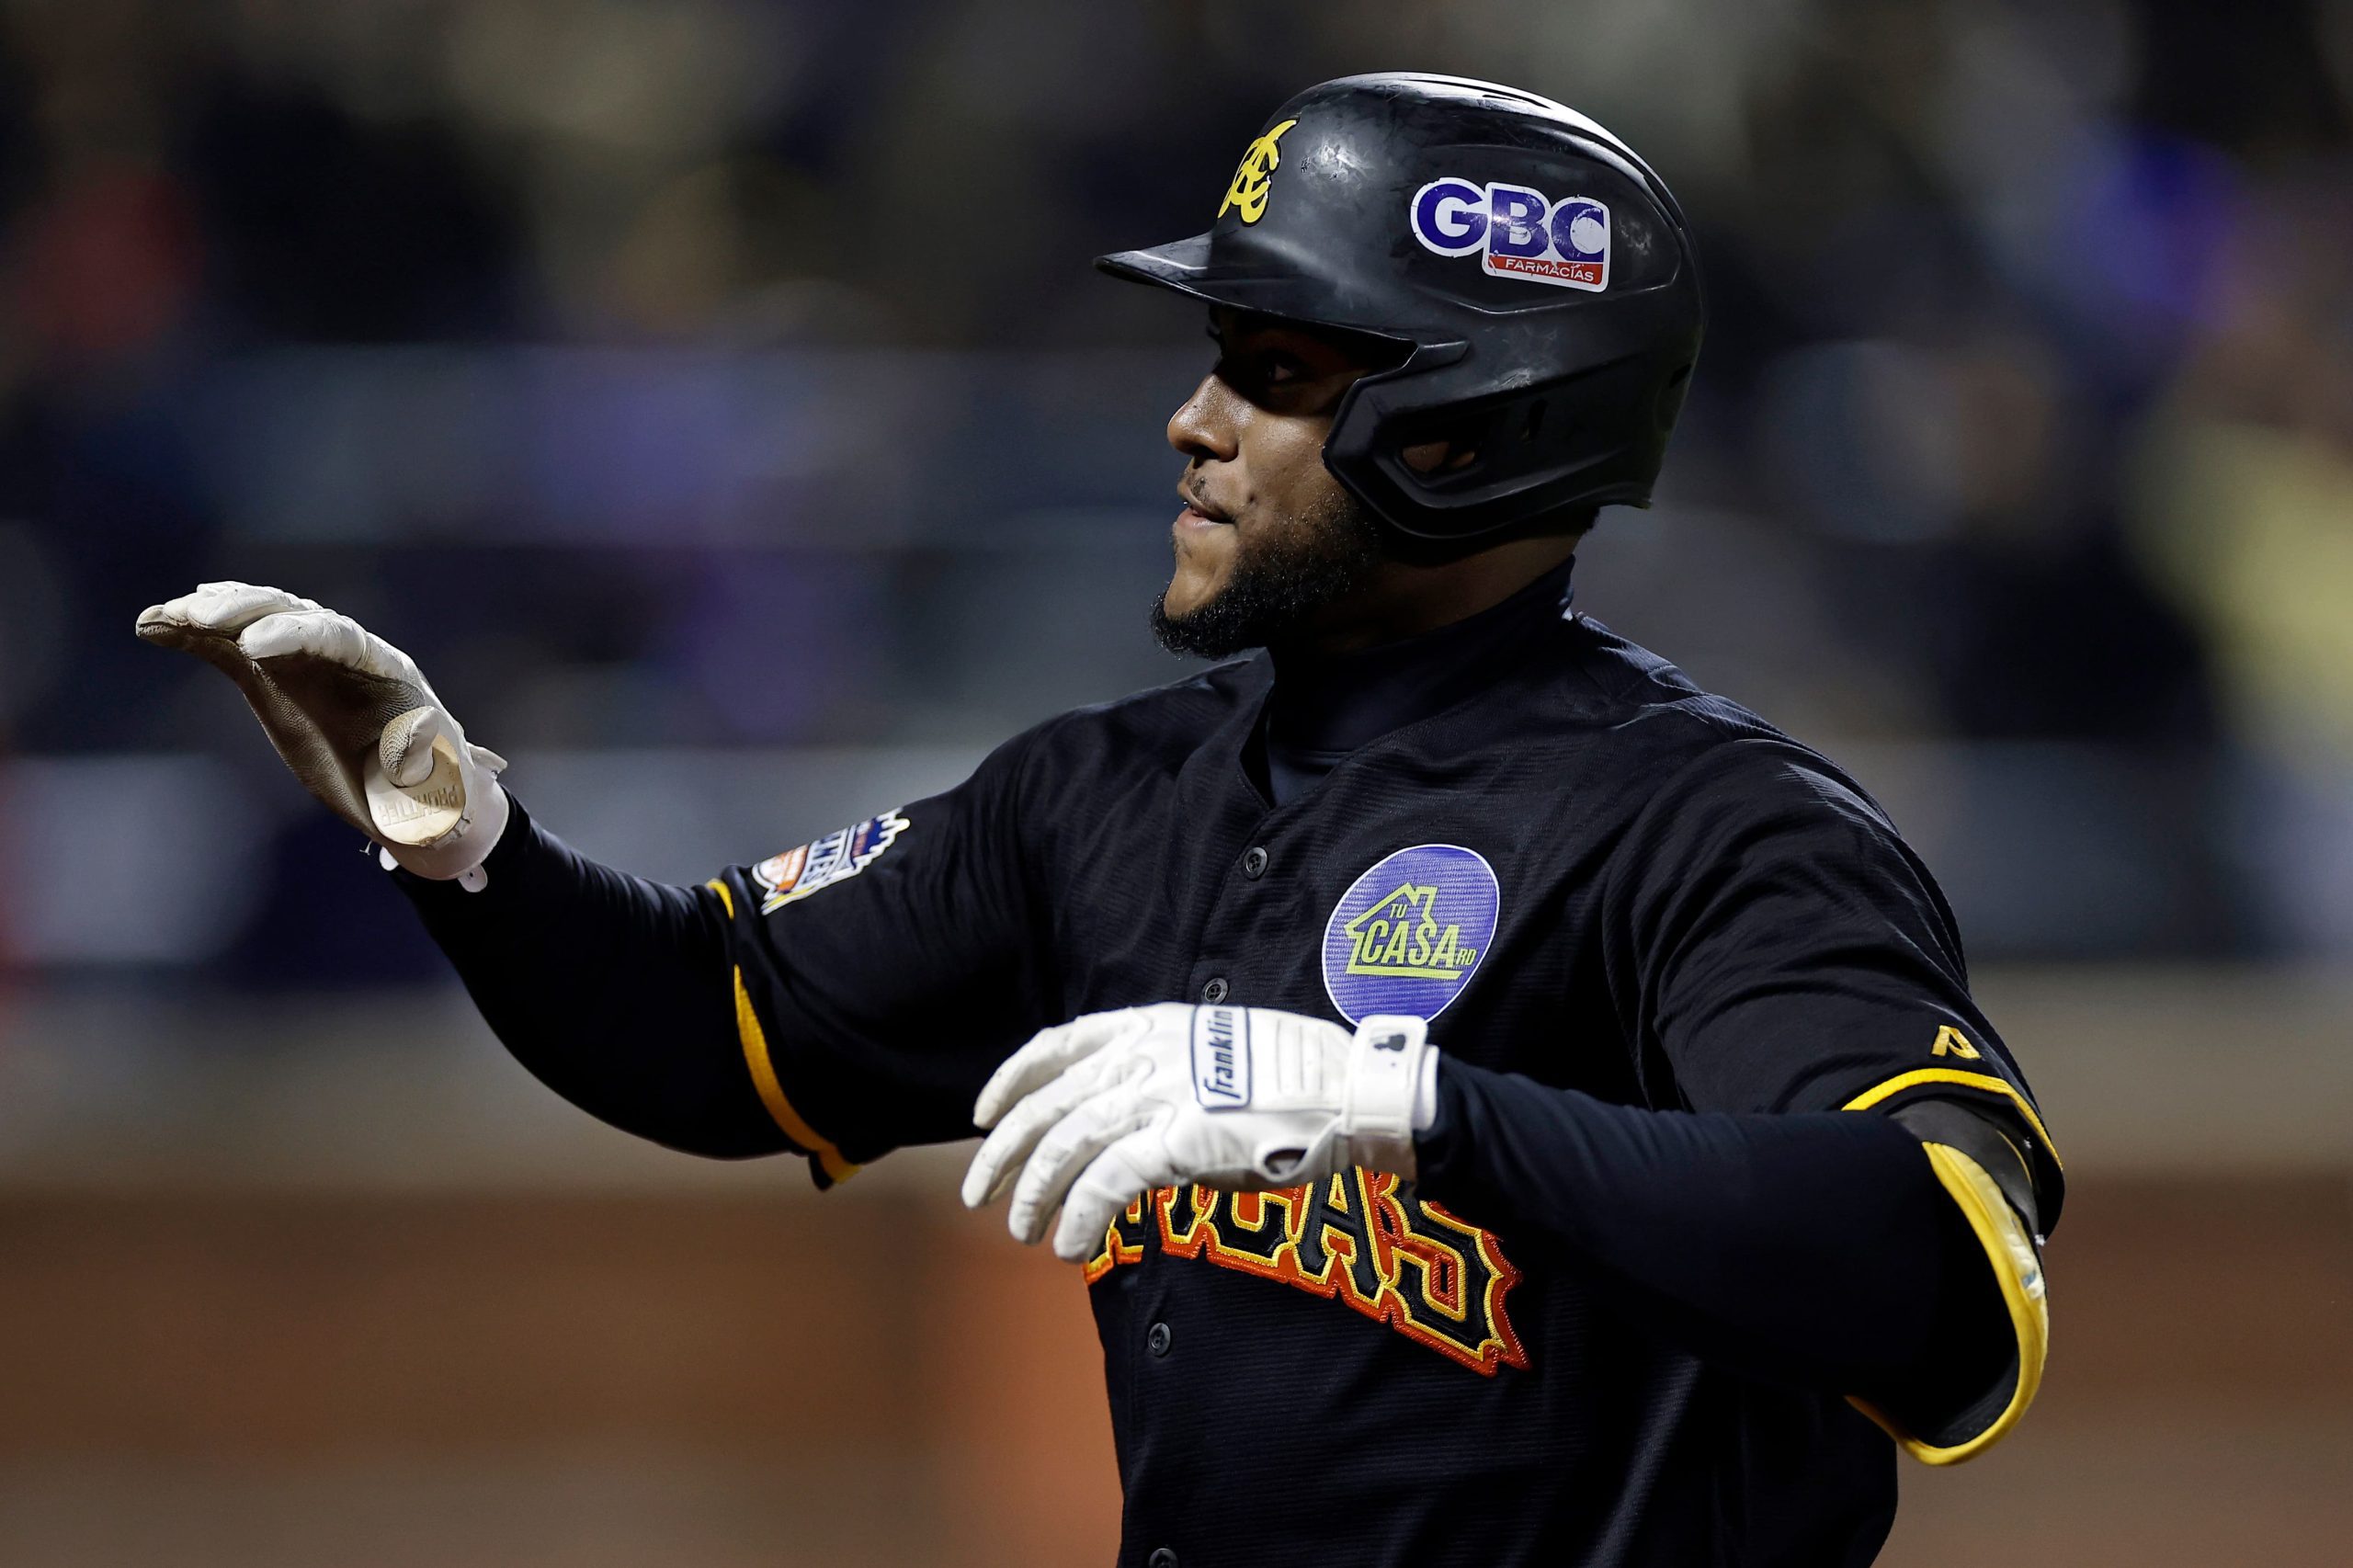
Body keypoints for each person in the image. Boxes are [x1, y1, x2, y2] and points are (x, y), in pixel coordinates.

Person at [139, 74, 2059, 1568]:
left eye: (1278, 374)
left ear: (1473, 424)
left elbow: (1948, 1272)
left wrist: (1416, 1111)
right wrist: (469, 843)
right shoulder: (1105, 794)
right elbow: (715, 1026)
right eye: (1219, 354)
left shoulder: (1711, 826)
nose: (1194, 420)